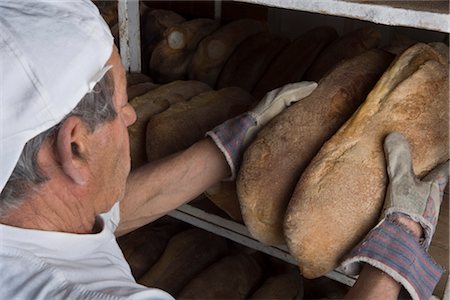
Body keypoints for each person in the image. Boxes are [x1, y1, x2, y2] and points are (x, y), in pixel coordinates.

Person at [0, 1, 447, 300]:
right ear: (74, 148)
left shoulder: (26, 216)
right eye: (120, 108)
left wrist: (224, 151)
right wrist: (396, 253)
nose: (132, 117)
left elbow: (99, 217)